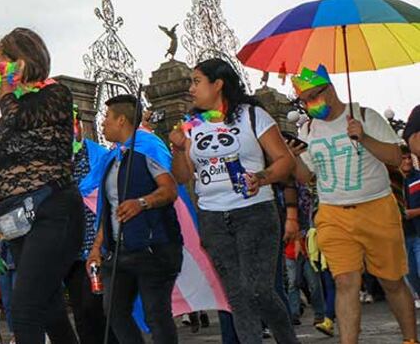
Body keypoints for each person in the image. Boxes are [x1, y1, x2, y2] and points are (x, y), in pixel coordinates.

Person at [167, 58, 297, 344]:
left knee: (258, 290)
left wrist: (261, 177)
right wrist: (177, 149)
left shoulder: (252, 116)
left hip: (255, 212)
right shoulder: (191, 125)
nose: (191, 88)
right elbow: (182, 175)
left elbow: (285, 161)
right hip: (213, 217)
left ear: (218, 84)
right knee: (237, 296)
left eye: (196, 81)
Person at [286, 65, 418, 344]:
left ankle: (410, 339)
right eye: (305, 100)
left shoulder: (365, 116)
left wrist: (364, 137)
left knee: (392, 282)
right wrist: (294, 157)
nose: (311, 104)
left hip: (377, 208)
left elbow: (395, 156)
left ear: (330, 89)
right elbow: (306, 176)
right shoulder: (308, 129)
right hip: (334, 214)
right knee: (345, 281)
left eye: (314, 96)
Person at [0, 28, 82, 344]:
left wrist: (7, 88)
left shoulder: (56, 95)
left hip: (51, 209)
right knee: (50, 307)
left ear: (22, 61)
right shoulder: (14, 107)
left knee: (24, 308)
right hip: (18, 218)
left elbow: (17, 121)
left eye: (1, 59)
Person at [84, 95, 182, 344]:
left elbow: (170, 190)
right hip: (118, 251)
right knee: (114, 312)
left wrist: (142, 203)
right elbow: (110, 209)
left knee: (156, 315)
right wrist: (96, 248)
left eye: (106, 118)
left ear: (121, 120)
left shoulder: (148, 148)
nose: (103, 124)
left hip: (153, 247)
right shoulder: (112, 158)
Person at [66, 133, 112, 344]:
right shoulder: (52, 161)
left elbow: (108, 199)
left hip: (95, 247)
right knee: (81, 314)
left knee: (96, 306)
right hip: (70, 249)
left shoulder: (99, 157)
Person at [283, 181, 326, 328]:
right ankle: (294, 313)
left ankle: (320, 314)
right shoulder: (282, 193)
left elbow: (309, 220)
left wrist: (299, 239)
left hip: (308, 245)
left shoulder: (306, 193)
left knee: (313, 282)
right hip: (290, 246)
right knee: (293, 282)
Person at [403, 149, 420, 306]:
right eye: (403, 158)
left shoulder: (418, 179)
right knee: (410, 273)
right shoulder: (391, 182)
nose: (407, 161)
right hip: (402, 235)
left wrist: (414, 212)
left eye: (409, 158)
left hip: (418, 232)